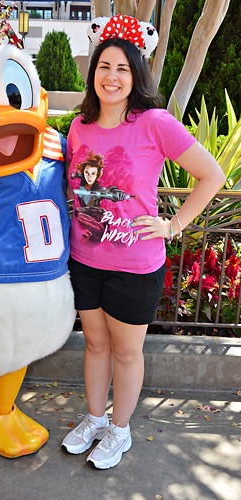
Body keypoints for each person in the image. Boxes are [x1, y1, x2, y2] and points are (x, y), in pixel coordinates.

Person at [61, 14, 225, 470]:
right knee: (94, 345)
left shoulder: (154, 123)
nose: (111, 77)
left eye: (122, 69)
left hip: (136, 265)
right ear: (93, 72)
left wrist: (174, 226)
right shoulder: (79, 128)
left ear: (136, 75)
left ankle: (120, 429)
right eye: (104, 67)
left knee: (127, 351)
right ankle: (94, 419)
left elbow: (212, 175)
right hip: (84, 259)